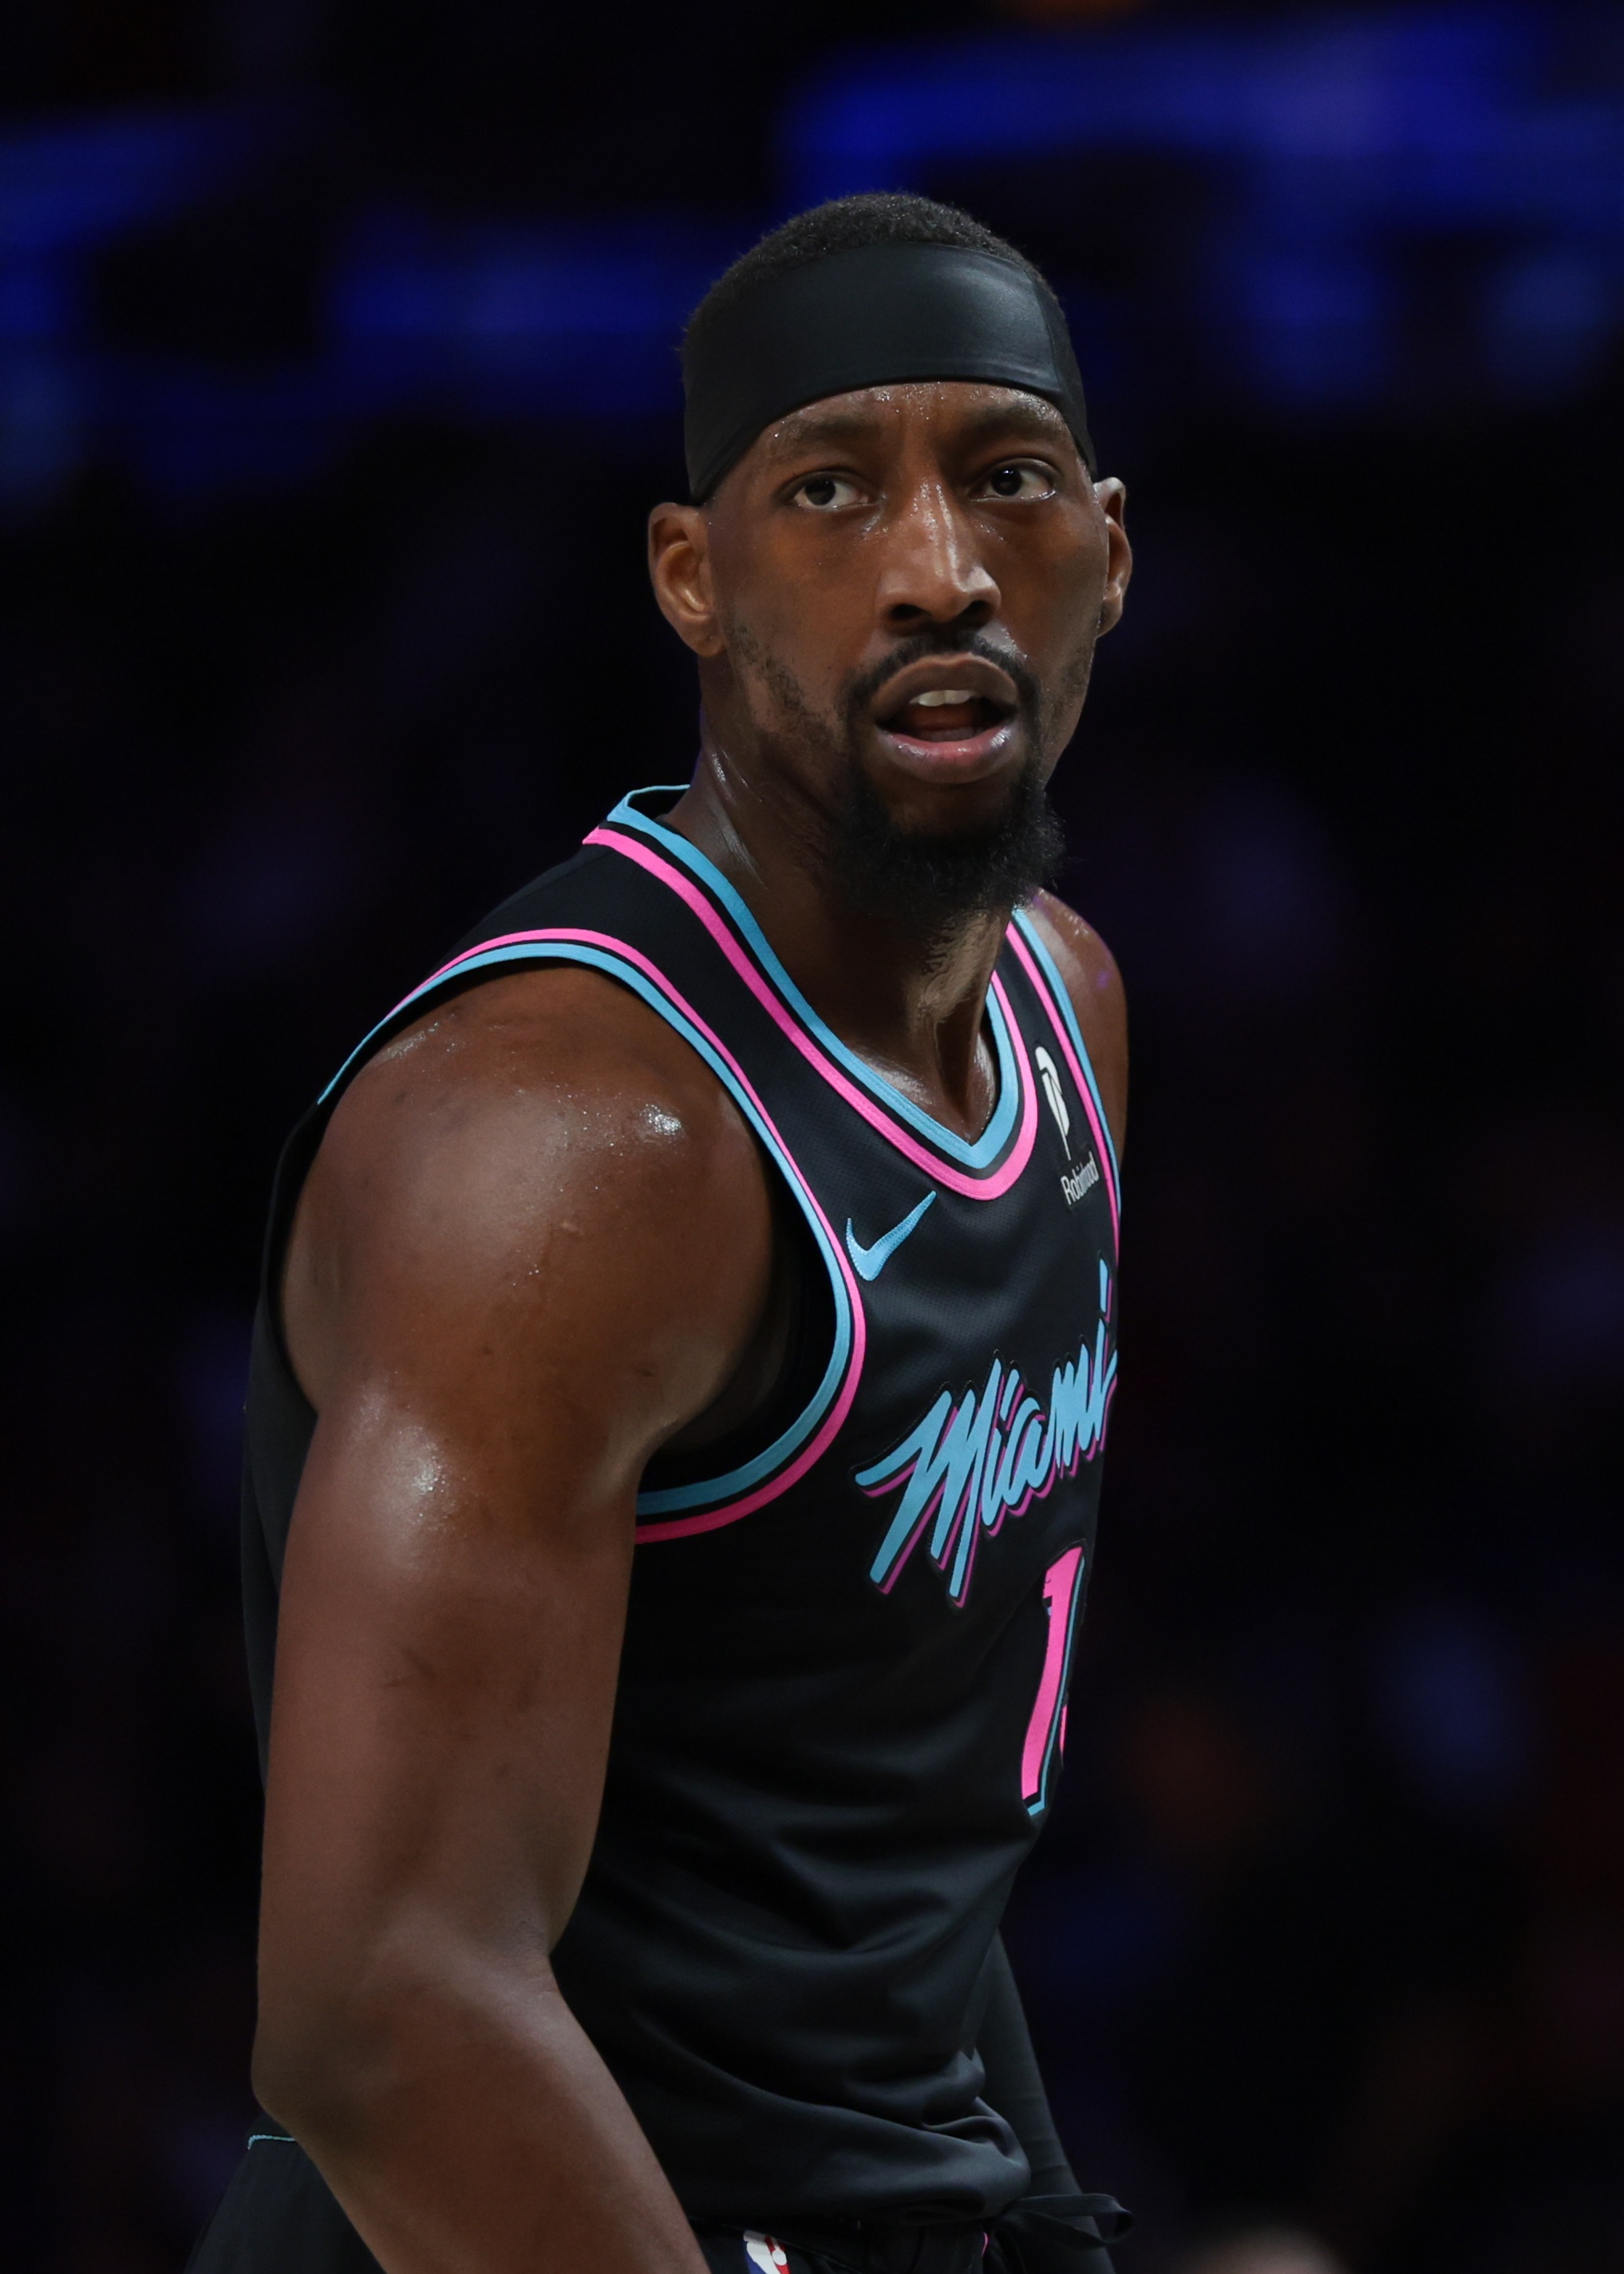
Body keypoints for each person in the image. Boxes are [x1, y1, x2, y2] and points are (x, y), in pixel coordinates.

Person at [188, 191, 1133, 2274]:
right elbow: (380, 2013)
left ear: (1109, 552)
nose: (940, 567)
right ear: (692, 579)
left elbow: (900, 1826)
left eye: (1008, 477)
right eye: (830, 491)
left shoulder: (1065, 1011)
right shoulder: (568, 1139)